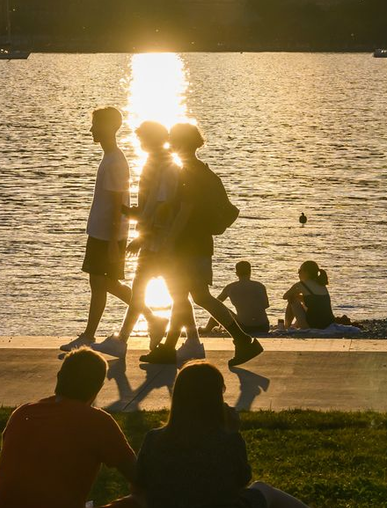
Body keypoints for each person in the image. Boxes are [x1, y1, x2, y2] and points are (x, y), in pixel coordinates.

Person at [133, 361, 339, 508]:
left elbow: (138, 490)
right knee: (263, 490)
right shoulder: (226, 440)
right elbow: (240, 482)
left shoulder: (154, 439)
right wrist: (231, 432)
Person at [0, 349, 144, 508]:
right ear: (98, 388)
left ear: (59, 377)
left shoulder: (22, 413)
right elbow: (138, 477)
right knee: (142, 505)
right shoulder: (98, 422)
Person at [142, 123, 262, 369]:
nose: (169, 143)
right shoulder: (204, 171)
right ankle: (169, 348)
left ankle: (243, 340)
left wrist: (167, 241)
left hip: (187, 245)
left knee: (195, 296)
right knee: (187, 295)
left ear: (181, 143)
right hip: (200, 244)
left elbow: (185, 212)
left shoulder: (187, 172)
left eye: (173, 139)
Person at [61, 106, 159, 352]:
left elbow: (119, 204)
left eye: (95, 125)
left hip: (108, 235)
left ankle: (89, 335)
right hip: (101, 232)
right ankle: (152, 318)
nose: (91, 129)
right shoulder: (110, 157)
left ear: (107, 127)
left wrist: (116, 242)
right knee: (105, 284)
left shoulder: (115, 160)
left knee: (102, 284)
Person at [95, 121, 188, 360]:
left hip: (158, 241)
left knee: (146, 290)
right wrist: (131, 213)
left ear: (153, 139)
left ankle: (125, 339)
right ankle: (189, 338)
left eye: (143, 138)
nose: (140, 143)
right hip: (157, 238)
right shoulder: (158, 162)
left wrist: (142, 236)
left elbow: (162, 207)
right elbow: (151, 205)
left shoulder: (164, 166)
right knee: (175, 292)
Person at [209, 261, 271, 337]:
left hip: (244, 327)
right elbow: (266, 305)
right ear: (250, 272)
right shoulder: (260, 286)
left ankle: (207, 329)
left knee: (217, 307)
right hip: (263, 326)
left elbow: (215, 303)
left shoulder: (230, 287)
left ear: (237, 273)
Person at [284, 261, 335, 330]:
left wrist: (295, 295)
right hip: (328, 324)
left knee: (292, 299)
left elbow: (285, 296)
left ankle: (286, 326)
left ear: (306, 272)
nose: (298, 273)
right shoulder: (321, 284)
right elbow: (316, 302)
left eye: (300, 271)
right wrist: (300, 297)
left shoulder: (302, 284)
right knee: (300, 300)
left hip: (312, 325)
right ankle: (293, 325)